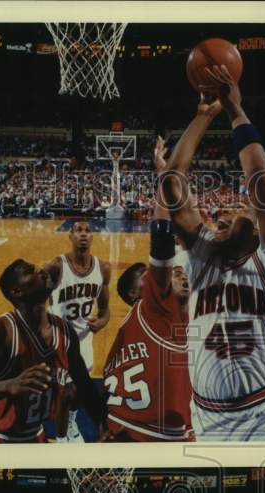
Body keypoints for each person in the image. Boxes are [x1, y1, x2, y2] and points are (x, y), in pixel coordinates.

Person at [158, 68, 265, 441]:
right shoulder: (202, 256)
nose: (220, 216)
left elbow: (260, 180)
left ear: (255, 222)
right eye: (217, 216)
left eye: (233, 210)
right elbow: (171, 184)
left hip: (264, 413)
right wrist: (203, 116)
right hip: (207, 416)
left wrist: (236, 109)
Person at [102, 136, 194, 443]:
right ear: (135, 294)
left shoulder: (134, 325)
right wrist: (163, 175)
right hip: (154, 434)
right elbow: (163, 235)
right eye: (148, 276)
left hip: (125, 425)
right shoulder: (154, 307)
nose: (159, 275)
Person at [0, 259, 106, 443]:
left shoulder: (64, 331)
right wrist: (10, 385)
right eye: (30, 271)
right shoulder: (3, 330)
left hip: (36, 437)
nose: (41, 270)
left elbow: (85, 386)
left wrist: (103, 424)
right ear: (17, 291)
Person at [45, 220, 111, 441]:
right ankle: (62, 438)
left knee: (78, 393)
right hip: (60, 340)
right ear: (70, 236)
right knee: (66, 393)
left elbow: (105, 309)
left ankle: (71, 423)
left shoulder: (102, 268)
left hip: (84, 339)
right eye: (78, 230)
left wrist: (102, 322)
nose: (83, 234)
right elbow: (35, 295)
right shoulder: (57, 265)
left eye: (87, 230)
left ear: (92, 237)